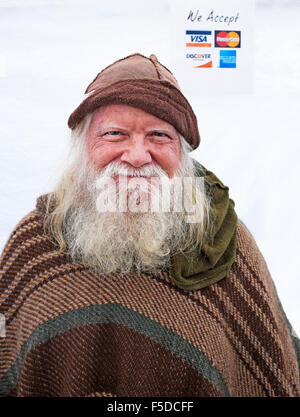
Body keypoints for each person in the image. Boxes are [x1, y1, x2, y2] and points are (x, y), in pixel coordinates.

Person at [0, 53, 299, 397]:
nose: (138, 155)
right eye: (115, 134)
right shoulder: (37, 238)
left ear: (182, 154)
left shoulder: (222, 239)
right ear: (83, 146)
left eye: (159, 136)